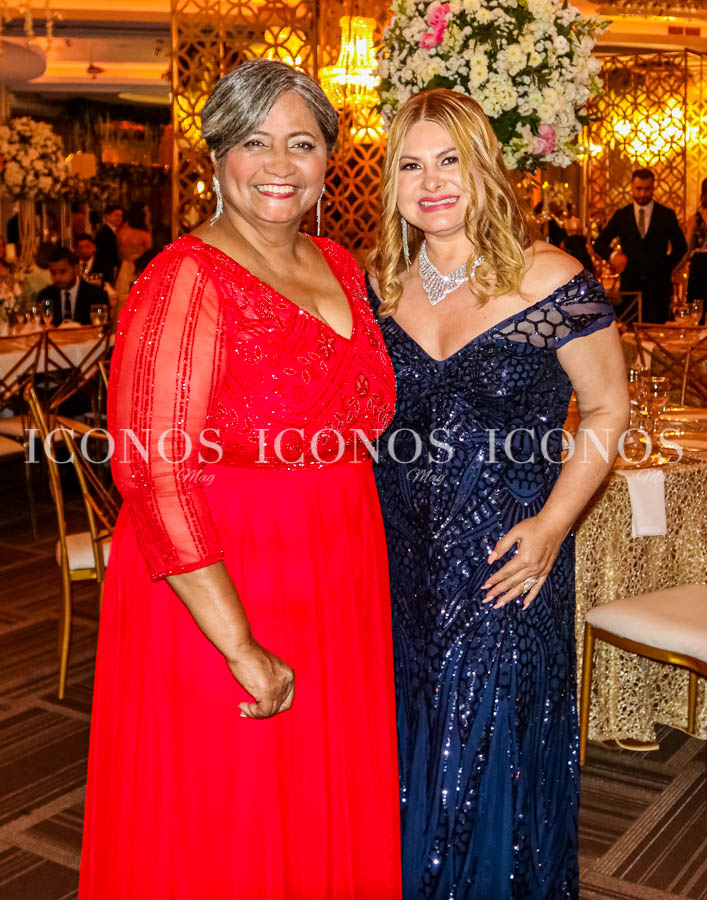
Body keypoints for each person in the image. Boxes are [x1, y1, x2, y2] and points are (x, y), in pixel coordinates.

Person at [79, 59, 402, 900]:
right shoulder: (184, 276)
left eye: (302, 143)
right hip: (224, 577)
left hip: (338, 565)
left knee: (321, 798)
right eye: (255, 143)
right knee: (233, 811)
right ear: (216, 156)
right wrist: (239, 644)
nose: (280, 164)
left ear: (329, 158)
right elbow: (153, 471)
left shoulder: (340, 263)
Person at [367, 89, 629, 898]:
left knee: (491, 754)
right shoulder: (378, 286)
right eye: (411, 165)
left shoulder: (548, 277)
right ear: (392, 183)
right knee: (408, 745)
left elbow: (607, 409)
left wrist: (552, 526)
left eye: (449, 160)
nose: (431, 182)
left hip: (507, 559)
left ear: (483, 167)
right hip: (398, 564)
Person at [594, 168, 686, 322]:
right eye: (639, 189)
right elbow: (599, 243)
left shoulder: (666, 215)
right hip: (630, 287)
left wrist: (665, 267)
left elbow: (681, 247)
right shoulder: (622, 215)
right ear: (632, 187)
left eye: (647, 189)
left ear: (653, 188)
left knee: (657, 331)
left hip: (659, 288)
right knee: (630, 331)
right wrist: (614, 256)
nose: (643, 193)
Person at [37, 246, 109, 326]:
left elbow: (103, 328)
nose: (57, 277)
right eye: (53, 273)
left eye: (63, 272)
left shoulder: (96, 294)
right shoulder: (45, 296)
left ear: (76, 268)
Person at [114, 202, 153, 313]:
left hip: (124, 269)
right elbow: (149, 255)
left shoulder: (121, 233)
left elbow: (119, 252)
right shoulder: (145, 235)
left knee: (122, 300)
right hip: (140, 269)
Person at [685, 176, 707, 311]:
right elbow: (687, 248)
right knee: (697, 309)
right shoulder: (695, 219)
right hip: (700, 267)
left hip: (699, 265)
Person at [93, 204, 123, 286]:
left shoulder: (113, 231)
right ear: (107, 216)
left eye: (121, 216)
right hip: (105, 269)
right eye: (116, 215)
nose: (119, 218)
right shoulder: (104, 232)